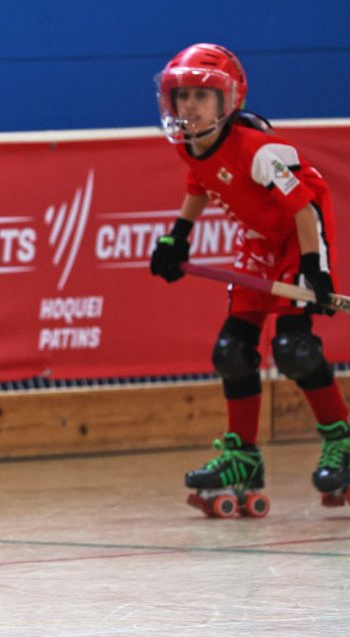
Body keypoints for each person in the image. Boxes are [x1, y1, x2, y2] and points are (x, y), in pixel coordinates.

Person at [150, 43, 350, 512]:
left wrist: (315, 268)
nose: (189, 106)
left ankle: (341, 440)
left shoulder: (259, 151)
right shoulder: (191, 144)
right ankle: (242, 456)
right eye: (182, 95)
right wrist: (178, 236)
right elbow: (200, 183)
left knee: (294, 349)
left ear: (228, 100)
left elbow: (305, 208)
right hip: (258, 242)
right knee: (232, 352)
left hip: (298, 238)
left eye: (202, 96)